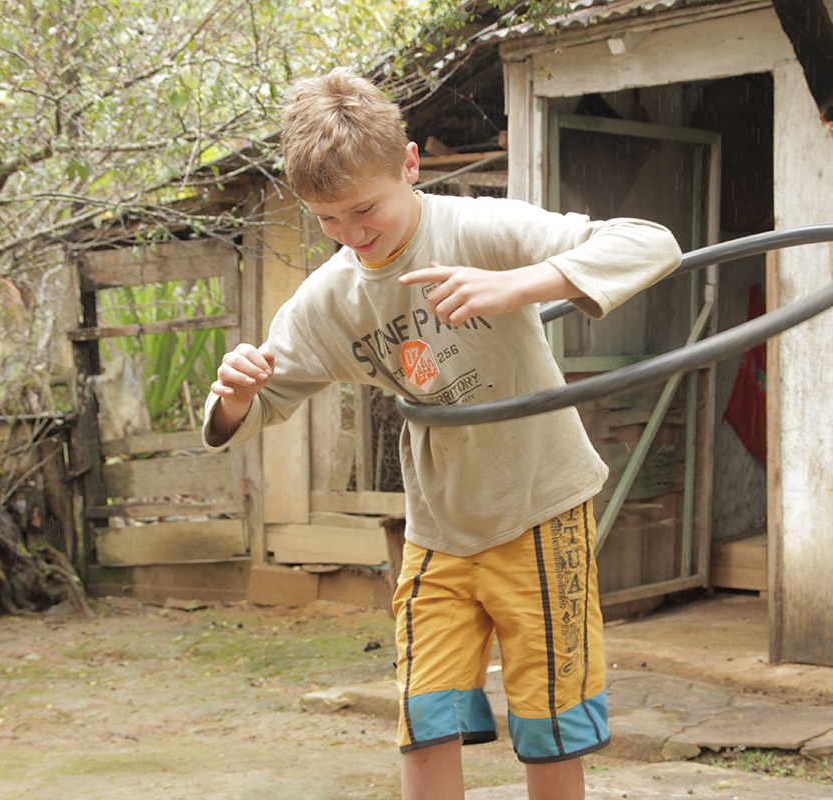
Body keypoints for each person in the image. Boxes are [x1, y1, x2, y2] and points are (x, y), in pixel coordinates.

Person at [203, 67, 681, 800]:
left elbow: (651, 244)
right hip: (439, 526)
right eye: (328, 219)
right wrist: (235, 394)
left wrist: (518, 284)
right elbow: (251, 414)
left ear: (410, 165)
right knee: (424, 716)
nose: (353, 234)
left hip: (539, 508)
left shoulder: (476, 229)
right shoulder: (330, 299)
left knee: (549, 724)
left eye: (366, 209)